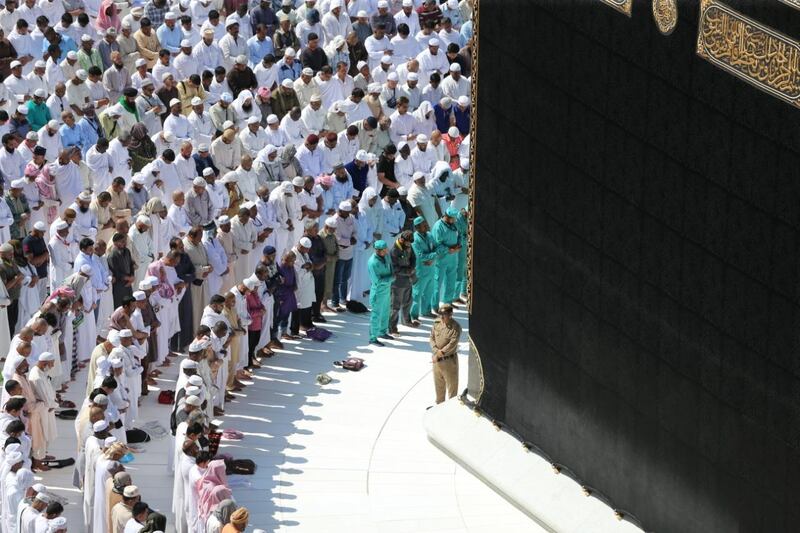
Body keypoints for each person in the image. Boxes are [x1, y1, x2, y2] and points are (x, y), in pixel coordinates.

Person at [429, 302, 460, 403]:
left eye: (444, 315)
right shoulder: (437, 324)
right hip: (437, 362)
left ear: (450, 315)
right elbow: (432, 338)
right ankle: (439, 407)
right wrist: (435, 351)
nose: (442, 317)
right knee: (439, 387)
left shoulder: (455, 327)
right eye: (440, 314)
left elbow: (452, 343)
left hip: (449, 362)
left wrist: (439, 354)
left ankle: (451, 411)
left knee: (452, 389)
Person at [388, 230, 417, 334]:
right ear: (401, 240)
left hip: (408, 280)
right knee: (395, 307)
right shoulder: (394, 251)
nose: (409, 245)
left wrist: (412, 268)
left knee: (408, 302)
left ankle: (406, 321)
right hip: (397, 283)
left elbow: (413, 258)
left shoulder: (408, 246)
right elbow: (395, 268)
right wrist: (408, 271)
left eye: (410, 243)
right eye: (407, 243)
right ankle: (392, 327)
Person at [367, 239, 392, 346]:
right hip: (378, 292)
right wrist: (391, 278)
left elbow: (390, 267)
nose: (386, 251)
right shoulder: (372, 262)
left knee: (386, 311)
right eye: (384, 250)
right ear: (378, 250)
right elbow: (377, 280)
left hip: (386, 290)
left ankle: (382, 332)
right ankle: (373, 337)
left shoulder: (385, 256)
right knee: (376, 314)